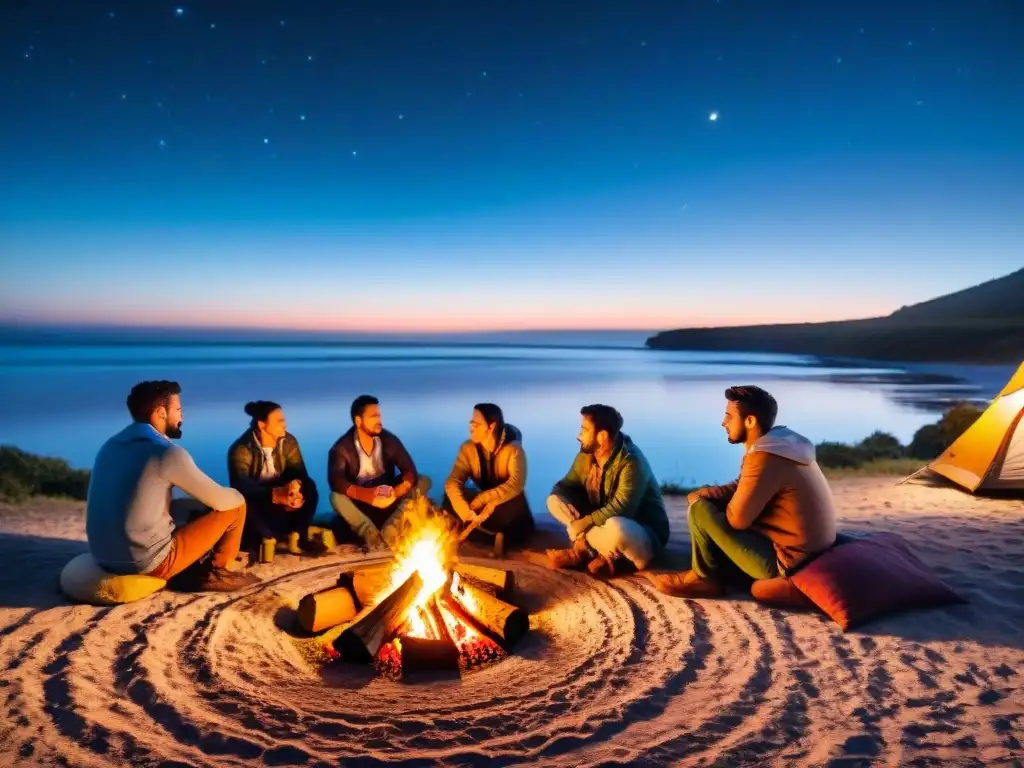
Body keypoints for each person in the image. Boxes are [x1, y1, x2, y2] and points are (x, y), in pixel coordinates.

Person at [645, 385, 837, 604]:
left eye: (729, 416)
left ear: (750, 421)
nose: (723, 423)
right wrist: (709, 492)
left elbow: (737, 520)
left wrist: (707, 503)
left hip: (787, 560)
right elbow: (743, 484)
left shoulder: (764, 457)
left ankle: (703, 578)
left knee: (700, 510)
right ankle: (711, 569)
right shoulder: (782, 446)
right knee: (706, 501)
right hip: (809, 551)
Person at [85, 380, 259, 592]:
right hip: (147, 562)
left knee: (185, 506)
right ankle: (215, 573)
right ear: (160, 413)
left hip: (103, 556)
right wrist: (235, 493)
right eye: (177, 410)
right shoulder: (166, 453)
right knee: (236, 506)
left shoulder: (110, 446)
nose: (182, 417)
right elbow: (222, 501)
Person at [545, 404, 670, 578]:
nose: (578, 436)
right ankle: (595, 551)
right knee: (554, 501)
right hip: (601, 525)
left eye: (585, 430)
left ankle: (585, 550)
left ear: (602, 436)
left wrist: (583, 522)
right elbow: (566, 485)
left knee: (617, 527)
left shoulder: (630, 461)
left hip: (641, 532)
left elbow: (622, 508)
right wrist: (565, 500)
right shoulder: (586, 456)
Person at [327, 394, 430, 549]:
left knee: (423, 480)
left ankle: (392, 528)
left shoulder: (388, 440)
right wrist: (367, 496)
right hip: (362, 503)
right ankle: (371, 535)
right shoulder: (341, 448)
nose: (379, 421)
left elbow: (409, 470)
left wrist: (396, 491)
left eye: (379, 416)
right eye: (373, 416)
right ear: (358, 420)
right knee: (335, 497)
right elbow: (336, 481)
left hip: (389, 498)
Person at [227, 400, 321, 557]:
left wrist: (295, 488)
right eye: (279, 421)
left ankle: (298, 535)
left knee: (310, 487)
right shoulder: (241, 449)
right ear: (262, 425)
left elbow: (299, 473)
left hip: (284, 497)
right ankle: (265, 538)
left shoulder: (288, 442)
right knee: (243, 500)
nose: (284, 424)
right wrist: (276, 495)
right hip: (261, 501)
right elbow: (241, 485)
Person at [443, 403, 535, 554]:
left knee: (510, 505)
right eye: (471, 421)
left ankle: (497, 536)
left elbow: (515, 484)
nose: (471, 425)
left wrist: (483, 498)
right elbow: (453, 481)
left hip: (506, 503)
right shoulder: (468, 449)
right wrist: (465, 511)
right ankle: (479, 531)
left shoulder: (514, 450)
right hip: (481, 506)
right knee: (450, 497)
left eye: (477, 423)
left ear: (491, 427)